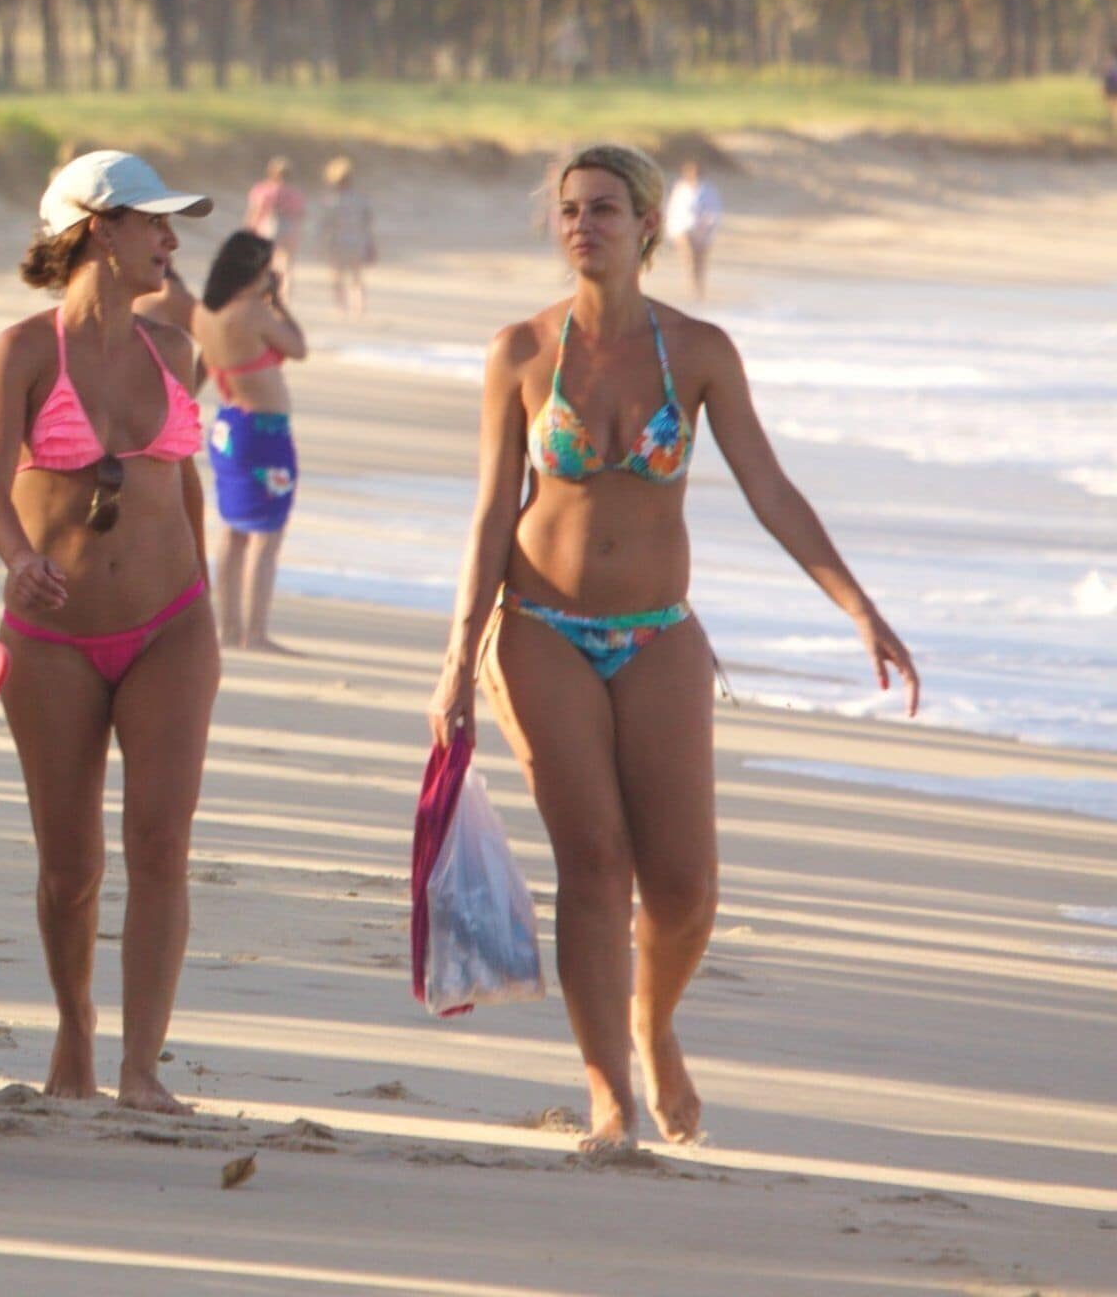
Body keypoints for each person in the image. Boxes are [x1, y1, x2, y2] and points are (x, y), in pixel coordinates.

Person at [427, 144, 917, 1152]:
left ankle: (653, 1026)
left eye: (604, 209)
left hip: (659, 631)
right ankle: (610, 1098)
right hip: (539, 629)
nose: (582, 225)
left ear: (647, 225)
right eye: (569, 210)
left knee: (687, 886)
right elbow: (489, 516)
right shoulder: (520, 351)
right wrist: (455, 660)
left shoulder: (699, 352)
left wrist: (858, 607)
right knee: (596, 864)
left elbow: (771, 492)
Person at [0, 149, 220, 1112]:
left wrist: (202, 597)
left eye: (171, 225)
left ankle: (141, 1067)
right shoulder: (26, 350)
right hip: (55, 634)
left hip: (170, 625)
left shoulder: (176, 350)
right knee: (69, 865)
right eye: (152, 222)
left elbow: (183, 479)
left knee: (161, 842)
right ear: (95, 231)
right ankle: (75, 1042)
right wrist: (16, 560)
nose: (169, 240)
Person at [195, 231, 308, 653]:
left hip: (227, 428)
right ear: (255, 270)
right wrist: (276, 301)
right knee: (267, 533)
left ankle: (230, 629)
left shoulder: (205, 314)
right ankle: (256, 633)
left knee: (234, 532)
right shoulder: (252, 313)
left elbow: (199, 373)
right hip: (264, 433)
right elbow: (298, 348)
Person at [311, 156, 377, 315]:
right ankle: (359, 307)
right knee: (357, 277)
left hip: (336, 243)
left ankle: (341, 307)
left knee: (337, 277)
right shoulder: (360, 199)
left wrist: (320, 245)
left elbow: (324, 226)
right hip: (357, 242)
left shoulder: (330, 201)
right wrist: (371, 243)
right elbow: (367, 223)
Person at [664, 161, 724, 301]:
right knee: (689, 255)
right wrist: (670, 228)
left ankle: (699, 290)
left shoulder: (708, 190)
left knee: (700, 260)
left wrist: (709, 225)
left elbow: (714, 209)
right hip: (682, 227)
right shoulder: (681, 189)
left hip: (703, 229)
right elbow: (673, 209)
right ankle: (691, 286)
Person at [243, 156, 307, 280]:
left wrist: (248, 229)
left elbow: (255, 211)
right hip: (289, 228)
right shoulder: (294, 192)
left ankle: (268, 291)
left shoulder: (262, 190)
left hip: (267, 227)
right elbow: (300, 214)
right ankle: (286, 293)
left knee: (265, 263)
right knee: (287, 264)